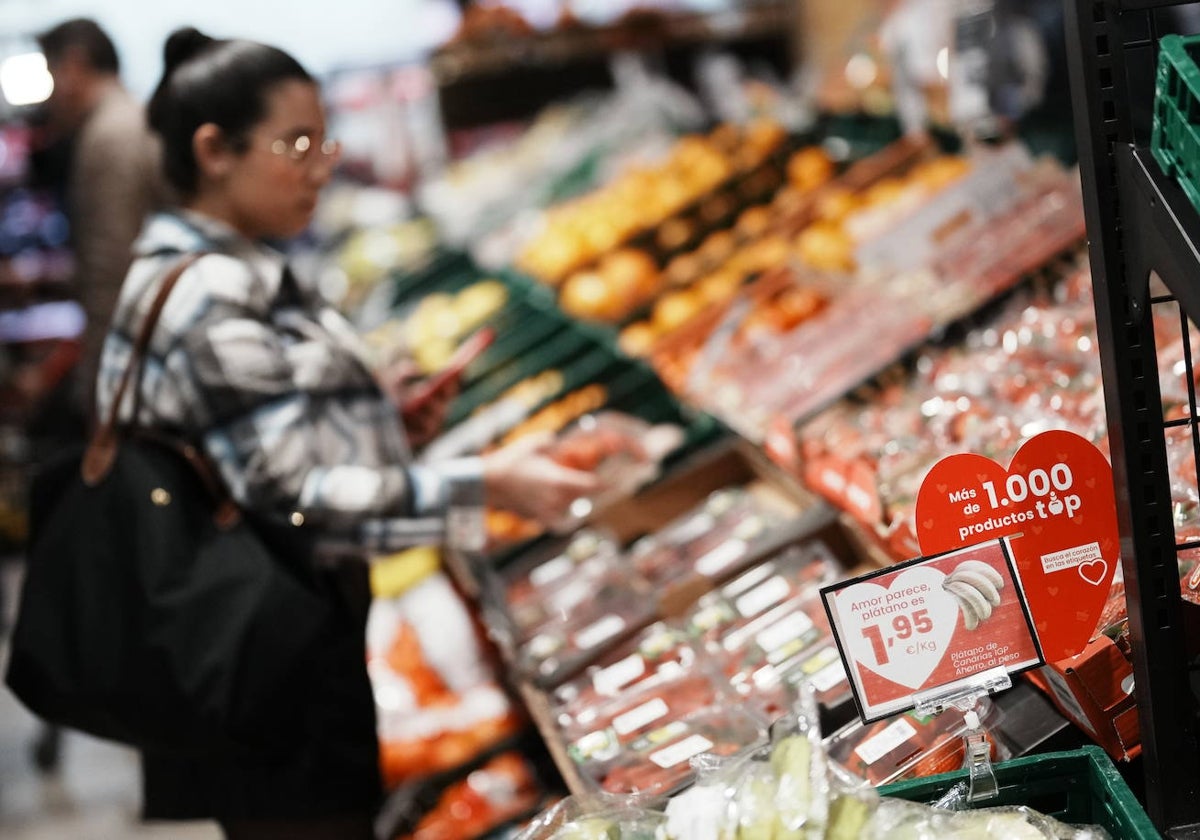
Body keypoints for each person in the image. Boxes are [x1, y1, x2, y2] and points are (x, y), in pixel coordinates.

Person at [95, 26, 599, 839]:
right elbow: (297, 499)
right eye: (295, 143)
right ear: (214, 149)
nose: (321, 163)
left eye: (322, 138)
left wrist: (376, 421)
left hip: (272, 652)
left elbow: (252, 452)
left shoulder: (219, 267)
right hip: (264, 676)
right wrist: (491, 483)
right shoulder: (210, 295)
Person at [37, 18, 171, 413]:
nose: (50, 95)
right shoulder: (132, 116)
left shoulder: (108, 135)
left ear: (74, 66)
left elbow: (110, 274)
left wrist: (98, 387)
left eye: (50, 74)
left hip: (134, 365)